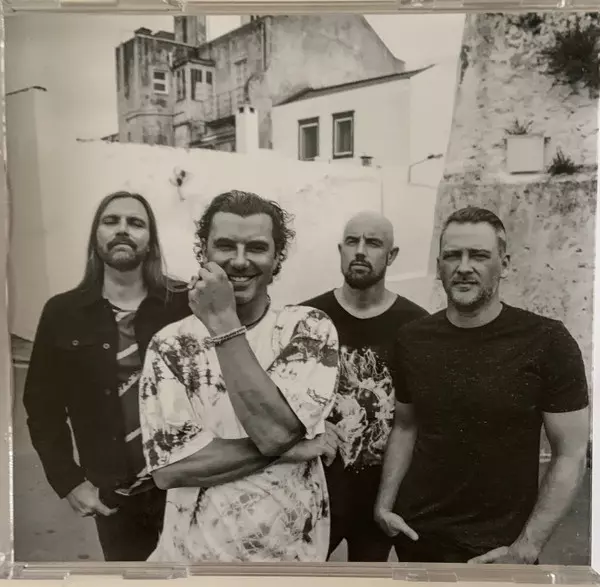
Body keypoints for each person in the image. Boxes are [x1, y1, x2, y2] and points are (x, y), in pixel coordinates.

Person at [375, 206, 590, 564]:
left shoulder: (548, 341)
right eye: (452, 255)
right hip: (416, 538)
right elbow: (406, 425)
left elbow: (571, 453)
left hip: (500, 550)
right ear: (439, 265)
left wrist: (526, 548)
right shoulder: (412, 338)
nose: (463, 267)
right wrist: (384, 505)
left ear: (504, 264)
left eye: (478, 255)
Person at [138, 190, 340, 562]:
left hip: (293, 562)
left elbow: (274, 433)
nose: (241, 260)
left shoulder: (309, 330)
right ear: (204, 252)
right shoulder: (171, 345)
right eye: (226, 245)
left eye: (257, 248)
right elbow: (171, 470)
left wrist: (223, 324)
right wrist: (295, 448)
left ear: (277, 258)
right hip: (194, 562)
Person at [23, 191, 192, 561]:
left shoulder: (182, 305)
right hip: (115, 496)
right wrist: (69, 481)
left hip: (187, 485)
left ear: (151, 241)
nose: (123, 230)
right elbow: (42, 407)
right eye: (111, 221)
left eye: (136, 223)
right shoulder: (62, 313)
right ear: (95, 236)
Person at [301, 211, 428, 561]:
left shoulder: (417, 326)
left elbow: (418, 419)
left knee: (368, 578)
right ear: (340, 250)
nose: (360, 251)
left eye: (373, 243)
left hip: (380, 496)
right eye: (352, 242)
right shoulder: (308, 319)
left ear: (392, 255)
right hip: (315, 491)